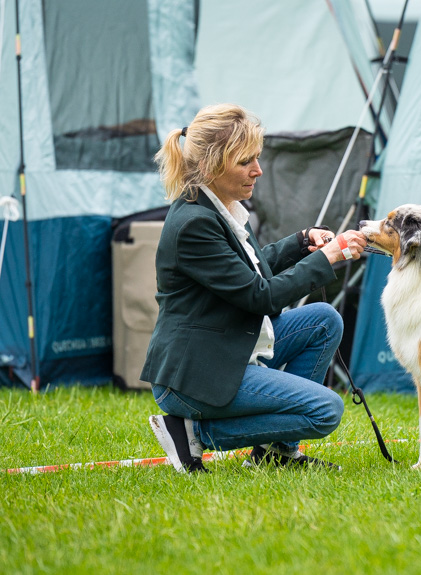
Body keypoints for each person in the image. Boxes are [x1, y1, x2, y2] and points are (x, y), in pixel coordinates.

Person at [141, 103, 367, 473]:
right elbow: (260, 296)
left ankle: (276, 454)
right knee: (326, 410)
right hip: (194, 377)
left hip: (227, 348)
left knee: (324, 320)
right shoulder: (193, 225)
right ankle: (192, 431)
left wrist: (301, 242)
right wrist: (326, 259)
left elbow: (252, 272)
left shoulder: (219, 208)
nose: (258, 171)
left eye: (257, 158)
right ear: (214, 164)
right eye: (246, 161)